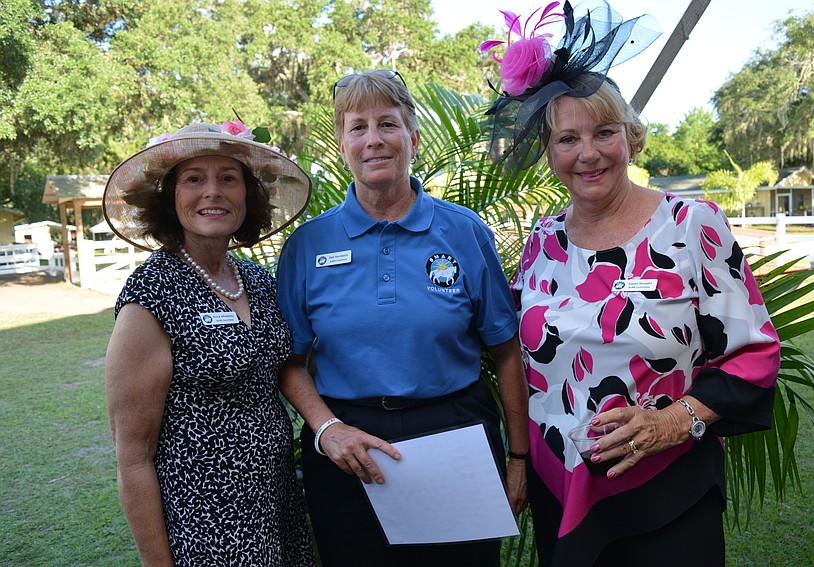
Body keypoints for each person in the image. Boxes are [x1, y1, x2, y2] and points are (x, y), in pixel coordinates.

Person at [482, 1, 781, 565]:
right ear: (548, 152)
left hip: (665, 489)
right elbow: (518, 356)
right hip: (559, 488)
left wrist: (670, 422)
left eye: (604, 132)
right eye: (567, 139)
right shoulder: (542, 240)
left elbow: (755, 354)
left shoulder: (691, 226)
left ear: (632, 137)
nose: (588, 153)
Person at [275, 70, 529, 566]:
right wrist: (327, 429)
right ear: (343, 145)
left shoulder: (464, 231)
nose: (373, 139)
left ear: (412, 138)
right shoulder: (307, 245)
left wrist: (518, 458)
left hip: (454, 435)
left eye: (388, 124)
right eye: (358, 127)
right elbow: (289, 361)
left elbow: (506, 349)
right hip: (349, 447)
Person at [103, 120, 316, 566]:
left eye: (228, 178)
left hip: (276, 507)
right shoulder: (152, 295)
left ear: (248, 194)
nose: (213, 192)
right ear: (170, 197)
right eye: (194, 179)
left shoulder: (256, 280)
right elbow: (133, 458)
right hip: (205, 527)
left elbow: (283, 365)